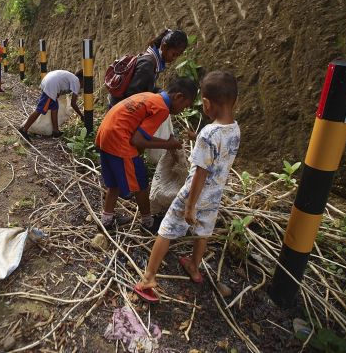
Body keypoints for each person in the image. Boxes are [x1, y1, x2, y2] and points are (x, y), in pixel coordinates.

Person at [134, 71, 240, 302]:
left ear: (206, 103)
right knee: (203, 231)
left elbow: (200, 172)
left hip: (193, 193)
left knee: (167, 229)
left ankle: (149, 277)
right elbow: (217, 153)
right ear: (235, 101)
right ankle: (194, 265)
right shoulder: (234, 129)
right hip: (214, 195)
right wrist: (196, 136)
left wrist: (190, 206)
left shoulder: (208, 133)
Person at [96, 77, 198, 231]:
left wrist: (167, 143)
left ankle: (106, 220)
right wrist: (167, 144)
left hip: (106, 135)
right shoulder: (162, 109)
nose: (183, 110)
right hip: (120, 141)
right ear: (178, 97)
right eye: (185, 106)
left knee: (114, 183)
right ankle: (147, 222)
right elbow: (137, 140)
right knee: (140, 184)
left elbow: (140, 135)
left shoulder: (151, 97)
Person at [108, 29, 188, 108]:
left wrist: (161, 94)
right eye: (173, 54)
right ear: (164, 46)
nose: (174, 58)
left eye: (177, 56)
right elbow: (132, 96)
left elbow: (145, 86)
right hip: (118, 109)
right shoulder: (148, 64)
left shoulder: (152, 60)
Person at [18, 69, 85, 141]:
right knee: (40, 109)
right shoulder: (77, 82)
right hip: (51, 85)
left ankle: (55, 131)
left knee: (54, 107)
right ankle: (24, 129)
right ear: (82, 80)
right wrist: (81, 115)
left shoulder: (73, 78)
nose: (83, 86)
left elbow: (61, 84)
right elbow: (73, 103)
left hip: (49, 80)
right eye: (85, 84)